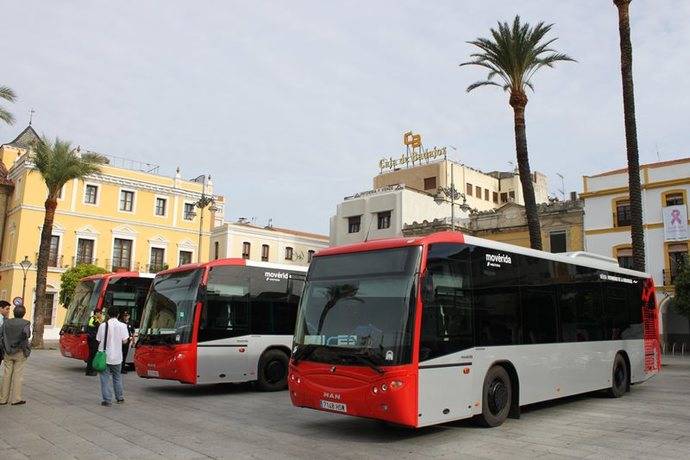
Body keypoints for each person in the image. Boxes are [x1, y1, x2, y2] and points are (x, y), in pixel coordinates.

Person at [96, 307, 130, 406]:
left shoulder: (103, 326)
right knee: (117, 377)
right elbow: (125, 341)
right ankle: (120, 398)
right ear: (118, 315)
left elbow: (98, 340)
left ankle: (107, 400)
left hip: (105, 357)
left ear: (108, 314)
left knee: (105, 378)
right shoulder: (123, 325)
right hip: (117, 356)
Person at [0, 304, 31, 406]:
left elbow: (1, 335)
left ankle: (3, 399)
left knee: (6, 375)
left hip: (8, 351)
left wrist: (4, 347)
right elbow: (27, 334)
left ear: (14, 312)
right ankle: (16, 399)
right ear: (24, 313)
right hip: (20, 352)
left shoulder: (6, 322)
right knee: (18, 375)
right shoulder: (26, 323)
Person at [85, 310, 104, 376]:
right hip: (93, 339)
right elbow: (95, 328)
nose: (101, 314)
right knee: (92, 355)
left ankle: (90, 370)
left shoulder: (94, 319)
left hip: (92, 338)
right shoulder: (94, 319)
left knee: (92, 355)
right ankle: (89, 371)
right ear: (96, 313)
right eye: (100, 313)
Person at [0, 300, 11, 366]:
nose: (8, 311)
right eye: (7, 309)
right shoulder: (1, 319)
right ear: (1, 308)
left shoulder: (5, 319)